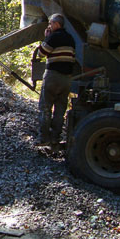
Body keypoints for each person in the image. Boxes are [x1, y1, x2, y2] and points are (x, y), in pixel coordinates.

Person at [36, 13, 76, 147]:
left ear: (57, 24)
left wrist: (46, 37)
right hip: (67, 79)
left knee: (45, 107)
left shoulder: (53, 37)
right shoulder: (70, 38)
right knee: (60, 109)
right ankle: (55, 138)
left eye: (51, 23)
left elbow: (41, 54)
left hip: (53, 76)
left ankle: (43, 138)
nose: (49, 26)